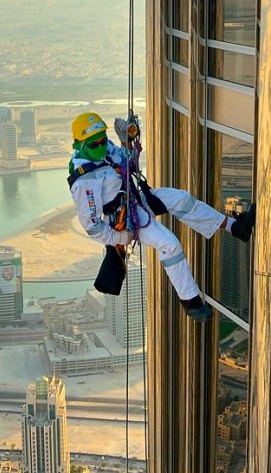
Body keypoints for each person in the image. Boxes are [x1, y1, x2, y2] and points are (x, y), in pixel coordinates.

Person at [67, 111, 252, 321]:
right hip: (126, 219)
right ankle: (191, 301)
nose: (101, 146)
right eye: (95, 144)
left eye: (103, 140)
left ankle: (236, 227)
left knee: (182, 199)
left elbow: (129, 164)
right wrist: (119, 238)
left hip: (137, 199)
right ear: (79, 144)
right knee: (169, 244)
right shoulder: (85, 181)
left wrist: (126, 141)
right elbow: (91, 225)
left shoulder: (103, 148)